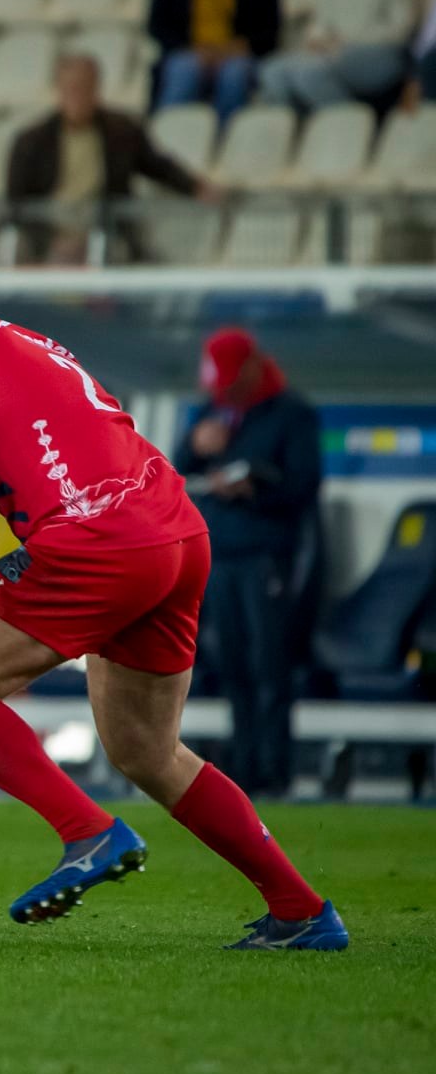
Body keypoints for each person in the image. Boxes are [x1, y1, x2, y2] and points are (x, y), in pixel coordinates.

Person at [0, 257, 346, 951]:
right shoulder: (37, 346)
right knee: (146, 748)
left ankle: (87, 830)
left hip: (96, 536)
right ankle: (301, 909)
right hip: (176, 529)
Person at [174, 328, 321, 797]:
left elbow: (304, 487)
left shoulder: (292, 415)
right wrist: (197, 448)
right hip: (221, 559)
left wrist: (252, 491)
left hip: (267, 558)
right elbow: (178, 473)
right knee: (233, 666)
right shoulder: (215, 413)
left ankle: (275, 774)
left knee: (269, 668)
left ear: (254, 369)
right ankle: (245, 774)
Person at [5, 53, 222, 265]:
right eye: (71, 89)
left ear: (96, 89)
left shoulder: (121, 132)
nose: (78, 96)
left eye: (85, 88)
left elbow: (158, 166)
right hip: (48, 240)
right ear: (59, 90)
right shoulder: (31, 142)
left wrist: (196, 187)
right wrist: (48, 240)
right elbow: (16, 205)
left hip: (107, 235)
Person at [258, 0, 419, 111]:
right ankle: (302, 135)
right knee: (272, 71)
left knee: (310, 75)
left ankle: (354, 125)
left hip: (381, 51)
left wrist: (349, 40)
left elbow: (401, 29)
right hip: (335, 50)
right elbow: (322, 21)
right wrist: (317, 38)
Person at [148, 0, 282, 124]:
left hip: (238, 54)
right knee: (183, 70)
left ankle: (226, 137)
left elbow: (270, 31)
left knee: (234, 74)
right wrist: (193, 50)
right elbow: (158, 26)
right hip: (190, 52)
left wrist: (240, 46)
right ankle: (165, 132)